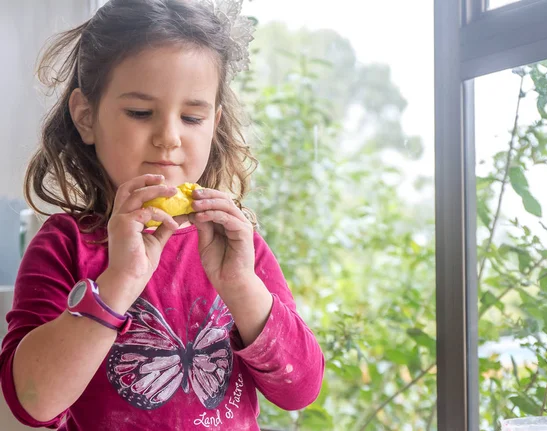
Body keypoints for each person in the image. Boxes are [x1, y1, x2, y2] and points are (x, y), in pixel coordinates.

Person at [0, 1, 325, 429]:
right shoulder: (64, 246)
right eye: (140, 113)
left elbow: (299, 389)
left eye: (192, 117)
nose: (169, 138)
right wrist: (118, 283)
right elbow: (33, 402)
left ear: (214, 123)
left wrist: (241, 286)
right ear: (86, 117)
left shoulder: (238, 251)